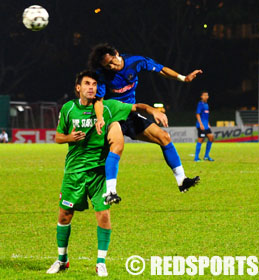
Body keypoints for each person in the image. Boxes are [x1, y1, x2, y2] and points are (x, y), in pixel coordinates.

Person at [47, 70, 168, 277]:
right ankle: (62, 260)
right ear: (78, 88)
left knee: (103, 215)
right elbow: (57, 137)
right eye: (87, 83)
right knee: (64, 215)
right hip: (74, 172)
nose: (91, 87)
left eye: (94, 83)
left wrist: (152, 110)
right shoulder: (68, 109)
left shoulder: (109, 107)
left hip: (99, 174)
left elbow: (135, 107)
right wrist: (70, 137)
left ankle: (101, 262)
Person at [88, 43, 202, 197]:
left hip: (131, 112)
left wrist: (183, 78)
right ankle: (110, 192)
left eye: (111, 62)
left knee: (164, 137)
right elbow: (98, 101)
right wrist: (100, 118)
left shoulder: (135, 62)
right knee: (117, 147)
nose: (111, 67)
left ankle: (182, 180)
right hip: (113, 115)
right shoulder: (101, 75)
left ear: (116, 53)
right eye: (107, 66)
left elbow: (161, 69)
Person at [194, 91, 214, 161]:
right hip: (201, 125)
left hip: (206, 125)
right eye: (204, 95)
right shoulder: (200, 104)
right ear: (201, 96)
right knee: (200, 140)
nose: (206, 96)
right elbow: (197, 114)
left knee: (211, 137)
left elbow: (206, 116)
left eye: (207, 95)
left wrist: (208, 124)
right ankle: (196, 157)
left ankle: (206, 156)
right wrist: (201, 124)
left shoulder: (206, 105)